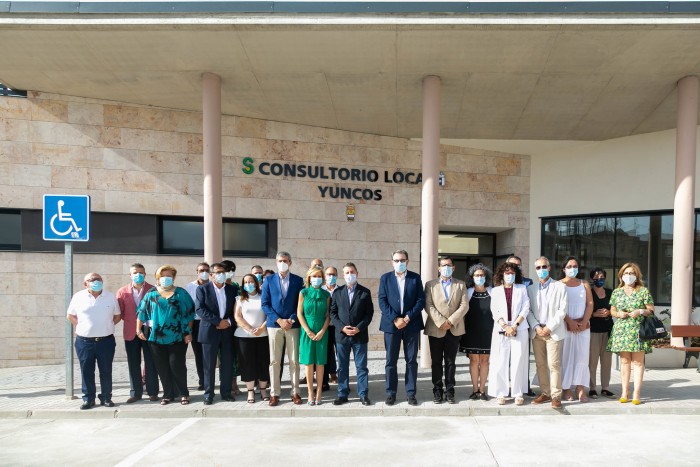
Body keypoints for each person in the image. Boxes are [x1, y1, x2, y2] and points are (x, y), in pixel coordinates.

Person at [137, 265, 195, 405]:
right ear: (158, 278)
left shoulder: (182, 293)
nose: (165, 279)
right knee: (162, 367)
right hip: (156, 338)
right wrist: (138, 330)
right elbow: (141, 313)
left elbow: (190, 314)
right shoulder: (151, 294)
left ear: (173, 278)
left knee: (177, 365)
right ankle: (167, 394)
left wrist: (189, 332)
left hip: (178, 336)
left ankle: (183, 394)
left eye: (168, 276)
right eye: (162, 276)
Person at [67, 272, 121, 409]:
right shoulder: (78, 297)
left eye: (99, 279)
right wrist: (81, 326)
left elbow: (117, 316)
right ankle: (88, 399)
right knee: (86, 370)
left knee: (106, 370)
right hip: (84, 342)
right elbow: (70, 315)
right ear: (86, 284)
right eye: (92, 280)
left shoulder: (110, 297)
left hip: (106, 341)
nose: (96, 281)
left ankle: (106, 397)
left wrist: (105, 327)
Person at [378, 249, 425, 406]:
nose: (399, 263)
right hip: (391, 326)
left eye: (402, 260)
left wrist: (407, 318)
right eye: (396, 260)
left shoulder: (415, 278)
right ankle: (391, 393)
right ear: (392, 262)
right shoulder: (385, 278)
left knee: (411, 360)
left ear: (408, 261)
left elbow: (420, 300)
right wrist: (395, 319)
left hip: (411, 325)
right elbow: (382, 301)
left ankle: (411, 393)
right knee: (391, 360)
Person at [606, 263, 655, 405]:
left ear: (637, 275)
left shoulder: (643, 291)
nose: (629, 276)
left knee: (638, 362)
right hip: (622, 331)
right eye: (626, 273)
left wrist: (640, 311)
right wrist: (618, 314)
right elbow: (612, 311)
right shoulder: (617, 292)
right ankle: (624, 391)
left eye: (632, 273)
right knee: (624, 361)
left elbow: (651, 311)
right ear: (621, 275)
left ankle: (636, 393)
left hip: (638, 331)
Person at [261, 251, 305, 406]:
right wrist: (279, 320)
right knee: (274, 361)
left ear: (290, 262)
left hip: (293, 325)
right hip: (274, 325)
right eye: (280, 260)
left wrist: (291, 319)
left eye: (285, 260)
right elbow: (265, 304)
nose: (282, 263)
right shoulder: (268, 280)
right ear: (276, 262)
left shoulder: (298, 281)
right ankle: (274, 393)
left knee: (294, 361)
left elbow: (300, 304)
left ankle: (296, 392)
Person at [424, 256, 468, 404]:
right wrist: (441, 321)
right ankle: (437, 390)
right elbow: (428, 305)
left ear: (454, 267)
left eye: (449, 265)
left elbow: (464, 306)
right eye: (443, 265)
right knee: (436, 362)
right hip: (436, 328)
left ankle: (450, 391)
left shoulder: (461, 285)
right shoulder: (430, 285)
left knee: (450, 362)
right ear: (438, 268)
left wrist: (450, 321)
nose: (446, 268)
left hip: (453, 329)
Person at [330, 262, 374, 406]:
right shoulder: (337, 292)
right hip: (342, 337)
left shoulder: (365, 292)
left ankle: (363, 394)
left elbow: (369, 314)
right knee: (342, 366)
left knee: (361, 366)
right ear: (343, 275)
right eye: (347, 272)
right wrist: (342, 328)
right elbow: (333, 313)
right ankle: (342, 393)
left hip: (359, 336)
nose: (350, 275)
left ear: (357, 273)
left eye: (352, 272)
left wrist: (359, 328)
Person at [527, 256, 568, 409]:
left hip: (553, 331)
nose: (541, 270)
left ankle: (556, 396)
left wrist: (549, 327)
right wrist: (536, 326)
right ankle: (545, 393)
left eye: (544, 267)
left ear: (549, 268)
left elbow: (562, 310)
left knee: (554, 365)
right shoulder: (531, 289)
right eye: (538, 268)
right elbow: (529, 310)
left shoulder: (560, 286)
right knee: (540, 364)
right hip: (537, 331)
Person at [116, 263, 159, 403]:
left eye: (141, 272)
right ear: (130, 275)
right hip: (130, 332)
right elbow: (120, 313)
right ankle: (135, 392)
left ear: (145, 274)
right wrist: (133, 324)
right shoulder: (122, 291)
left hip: (149, 331)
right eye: (135, 272)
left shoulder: (153, 290)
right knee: (133, 362)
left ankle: (153, 391)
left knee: (151, 361)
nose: (138, 275)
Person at [488, 262, 530, 405]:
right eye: (507, 273)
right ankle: (501, 393)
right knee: (501, 361)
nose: (509, 275)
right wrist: (506, 326)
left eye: (512, 273)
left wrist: (515, 325)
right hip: (502, 329)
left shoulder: (522, 288)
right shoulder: (496, 291)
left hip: (519, 328)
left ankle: (518, 393)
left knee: (518, 361)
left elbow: (525, 308)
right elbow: (495, 310)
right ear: (501, 274)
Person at [196, 262, 237, 405]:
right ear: (211, 275)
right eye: (217, 272)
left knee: (227, 363)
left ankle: (226, 393)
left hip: (227, 331)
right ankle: (208, 394)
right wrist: (218, 321)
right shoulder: (203, 289)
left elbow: (237, 310)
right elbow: (200, 309)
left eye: (223, 272)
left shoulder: (232, 290)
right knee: (209, 365)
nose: (220, 275)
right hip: (209, 331)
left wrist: (229, 322)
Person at [559, 256, 593, 402]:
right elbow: (557, 307)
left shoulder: (584, 283)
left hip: (583, 327)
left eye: (575, 266)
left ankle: (580, 388)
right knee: (566, 357)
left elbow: (590, 303)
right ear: (564, 269)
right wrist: (570, 321)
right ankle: (566, 388)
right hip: (566, 326)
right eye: (570, 266)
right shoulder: (559, 284)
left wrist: (584, 321)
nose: (573, 269)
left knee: (582, 357)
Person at [298, 266, 331, 405]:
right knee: (309, 363)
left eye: (319, 276)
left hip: (322, 330)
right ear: (309, 278)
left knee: (320, 363)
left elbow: (328, 315)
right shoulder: (303, 292)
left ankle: (319, 393)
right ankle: (310, 393)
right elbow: (299, 313)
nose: (316, 279)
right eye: (314, 276)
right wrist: (307, 330)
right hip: (307, 330)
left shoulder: (326, 295)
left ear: (322, 279)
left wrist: (322, 331)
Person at [234, 274, 270, 403]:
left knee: (263, 363)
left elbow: (268, 314)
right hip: (244, 336)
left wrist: (261, 328)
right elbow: (238, 317)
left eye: (251, 281)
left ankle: (263, 390)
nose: (248, 284)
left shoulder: (263, 297)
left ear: (256, 283)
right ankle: (250, 392)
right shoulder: (240, 299)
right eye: (246, 282)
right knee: (247, 363)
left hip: (263, 335)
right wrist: (250, 329)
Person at [460, 263, 493, 401]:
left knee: (485, 361)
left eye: (482, 275)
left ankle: (482, 390)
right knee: (474, 361)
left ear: (486, 277)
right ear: (472, 277)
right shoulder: (468, 292)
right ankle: (474, 390)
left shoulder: (493, 291)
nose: (479, 277)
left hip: (489, 332)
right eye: (476, 275)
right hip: (471, 331)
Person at [507, 255, 535, 397]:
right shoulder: (500, 281)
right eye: (512, 264)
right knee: (507, 358)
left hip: (523, 325)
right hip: (505, 326)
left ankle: (525, 386)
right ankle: (507, 386)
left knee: (523, 358)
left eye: (518, 265)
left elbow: (528, 303)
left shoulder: (527, 282)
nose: (515, 267)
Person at [588, 267, 614, 398]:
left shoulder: (610, 292)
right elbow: (585, 311)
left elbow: (615, 308)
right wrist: (594, 314)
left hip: (608, 330)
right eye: (597, 277)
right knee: (592, 361)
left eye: (602, 277)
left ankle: (605, 387)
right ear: (592, 278)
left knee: (606, 361)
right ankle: (592, 388)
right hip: (593, 331)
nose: (599, 279)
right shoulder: (589, 293)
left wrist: (609, 312)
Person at [184, 262, 210, 390]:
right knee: (199, 353)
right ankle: (202, 381)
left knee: (210, 354)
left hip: (211, 322)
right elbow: (187, 307)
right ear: (197, 272)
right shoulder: (189, 287)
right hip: (195, 323)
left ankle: (210, 380)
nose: (203, 272)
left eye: (206, 270)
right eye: (201, 270)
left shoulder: (213, 285)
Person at [221, 259, 242, 397]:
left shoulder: (236, 286)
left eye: (232, 269)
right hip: (220, 326)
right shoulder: (218, 286)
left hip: (235, 326)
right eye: (227, 269)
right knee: (223, 358)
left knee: (235, 358)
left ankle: (234, 383)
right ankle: (226, 384)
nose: (230, 272)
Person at [321, 266, 340, 388]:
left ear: (337, 276)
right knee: (325, 354)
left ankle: (343, 381)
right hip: (324, 327)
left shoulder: (341, 290)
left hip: (338, 327)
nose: (331, 277)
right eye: (328, 274)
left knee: (341, 354)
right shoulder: (321, 290)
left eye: (333, 274)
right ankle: (323, 382)